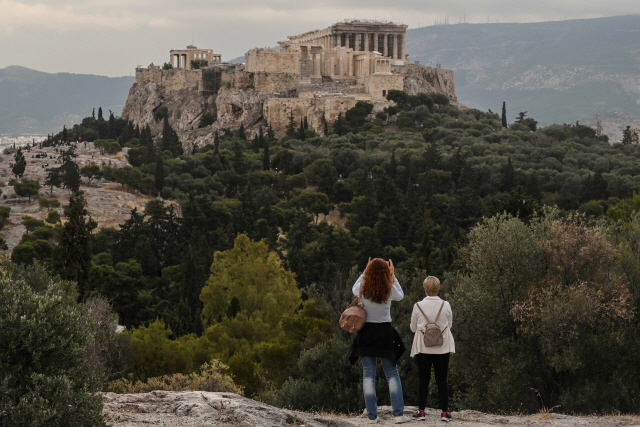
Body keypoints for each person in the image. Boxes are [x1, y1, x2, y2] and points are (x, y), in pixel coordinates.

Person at [349, 258, 410, 424]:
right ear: (386, 273)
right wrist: (393, 275)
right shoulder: (389, 288)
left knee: (368, 375)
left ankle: (372, 417)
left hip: (366, 333)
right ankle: (398, 415)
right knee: (392, 373)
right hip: (384, 332)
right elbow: (401, 295)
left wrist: (364, 271)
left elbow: (354, 288)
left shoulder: (362, 288)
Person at [409, 276, 455, 422]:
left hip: (423, 348)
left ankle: (421, 411)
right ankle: (445, 413)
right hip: (442, 348)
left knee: (423, 379)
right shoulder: (446, 305)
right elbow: (450, 324)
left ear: (425, 288)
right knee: (442, 380)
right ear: (438, 288)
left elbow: (412, 328)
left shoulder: (417, 306)